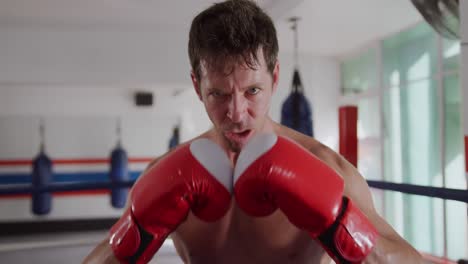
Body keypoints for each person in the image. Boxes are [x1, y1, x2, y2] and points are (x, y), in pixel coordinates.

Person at [84, 0, 424, 263]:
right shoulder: (164, 173)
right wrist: (137, 230)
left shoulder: (326, 168)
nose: (236, 113)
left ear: (275, 79)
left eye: (252, 91)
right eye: (218, 93)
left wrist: (339, 220)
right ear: (197, 85)